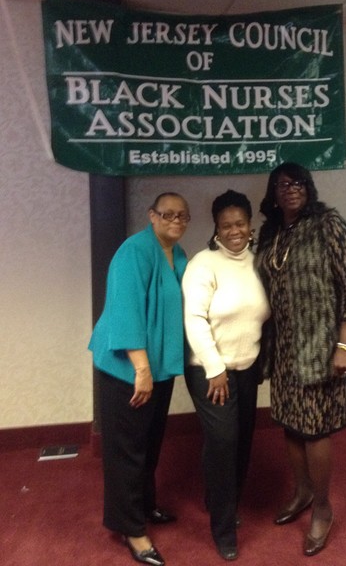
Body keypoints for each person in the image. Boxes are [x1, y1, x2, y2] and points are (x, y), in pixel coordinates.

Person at [256, 163, 346, 557]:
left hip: (322, 344)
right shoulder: (271, 232)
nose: (291, 189)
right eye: (282, 184)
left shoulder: (328, 224)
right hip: (285, 345)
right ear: (273, 193)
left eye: (298, 182)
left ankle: (322, 507)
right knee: (290, 423)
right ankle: (303, 491)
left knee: (316, 427)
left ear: (309, 187)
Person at [89, 192, 191, 566]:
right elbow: (126, 311)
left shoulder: (177, 254)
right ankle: (131, 528)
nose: (176, 221)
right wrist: (142, 371)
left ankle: (145, 505)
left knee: (148, 444)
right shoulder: (133, 252)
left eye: (182, 216)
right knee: (127, 451)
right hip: (129, 371)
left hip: (158, 368)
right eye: (168, 214)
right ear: (152, 215)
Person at [182, 190, 270, 561]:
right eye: (226, 225)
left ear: (250, 226)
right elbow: (194, 318)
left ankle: (224, 499)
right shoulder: (203, 264)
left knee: (242, 441)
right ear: (216, 228)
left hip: (246, 369)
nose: (234, 231)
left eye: (240, 224)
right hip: (209, 370)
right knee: (222, 442)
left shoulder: (258, 262)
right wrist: (215, 368)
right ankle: (223, 529)